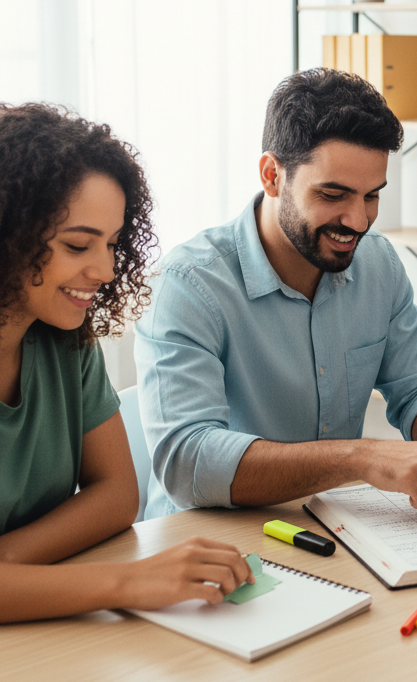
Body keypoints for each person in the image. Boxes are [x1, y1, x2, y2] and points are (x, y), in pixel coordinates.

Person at [135, 68, 417, 518]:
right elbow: (187, 463)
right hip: (210, 537)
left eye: (372, 196)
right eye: (333, 194)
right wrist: (360, 457)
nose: (359, 221)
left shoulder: (379, 263)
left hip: (334, 525)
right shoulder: (188, 285)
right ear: (272, 175)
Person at [0, 104, 254, 623]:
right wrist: (128, 582)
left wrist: (9, 564)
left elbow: (117, 495)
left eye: (113, 244)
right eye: (77, 245)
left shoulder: (67, 342)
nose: (105, 270)